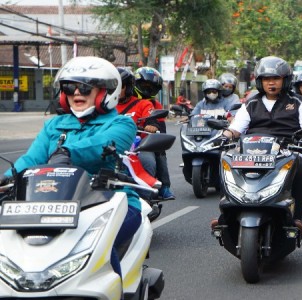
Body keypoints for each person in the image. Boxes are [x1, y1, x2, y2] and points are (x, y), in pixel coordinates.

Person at [0, 56, 138, 278]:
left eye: (84, 87)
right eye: (70, 87)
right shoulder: (53, 125)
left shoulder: (122, 124)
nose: (76, 93)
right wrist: (7, 178)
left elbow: (102, 146)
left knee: (99, 249)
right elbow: (32, 159)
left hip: (109, 202)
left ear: (105, 92)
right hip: (52, 203)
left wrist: (66, 152)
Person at [221, 56, 302, 236]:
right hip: (252, 151)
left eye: (276, 79)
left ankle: (296, 218)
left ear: (285, 80)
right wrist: (224, 136)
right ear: (260, 82)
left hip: (287, 151)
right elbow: (235, 128)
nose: (271, 83)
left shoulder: (299, 102)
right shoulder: (251, 102)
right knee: (225, 161)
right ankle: (225, 214)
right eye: (266, 79)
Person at [134, 66, 175, 200]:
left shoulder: (153, 105)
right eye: (144, 85)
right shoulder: (117, 102)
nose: (147, 89)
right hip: (119, 141)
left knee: (158, 153)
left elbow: (160, 127)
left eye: (151, 87)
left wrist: (151, 126)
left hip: (144, 143)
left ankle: (163, 187)